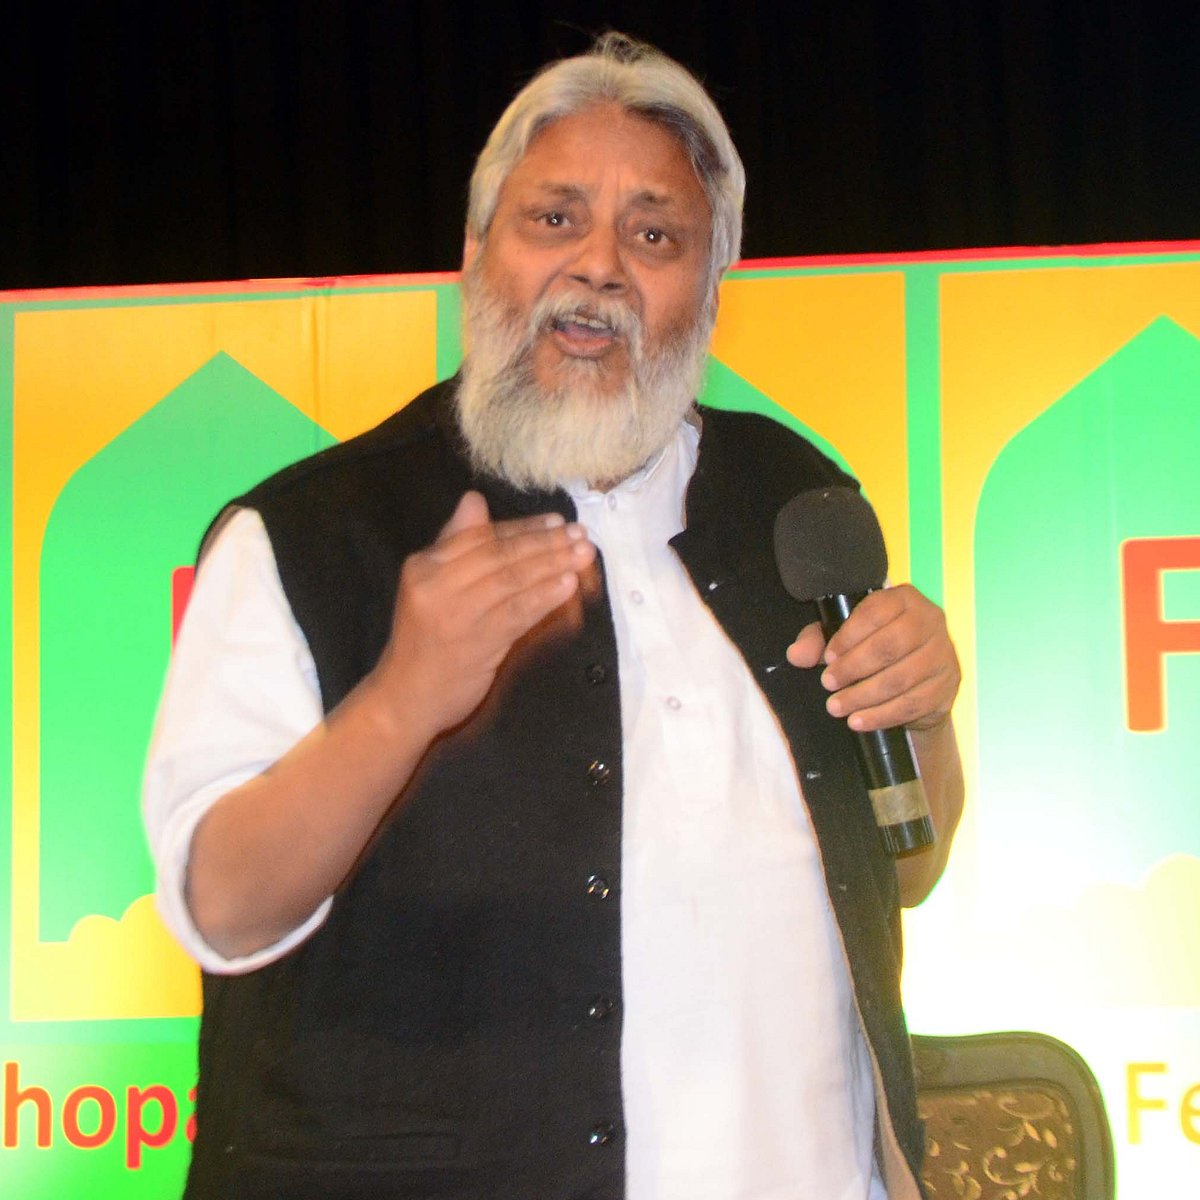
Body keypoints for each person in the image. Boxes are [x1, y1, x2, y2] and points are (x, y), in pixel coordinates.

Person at [144, 31, 962, 1200]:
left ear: (711, 292)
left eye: (655, 235)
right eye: (554, 219)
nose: (601, 267)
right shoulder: (311, 536)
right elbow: (221, 910)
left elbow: (906, 866)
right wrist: (401, 703)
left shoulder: (792, 499)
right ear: (476, 254)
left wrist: (922, 718)